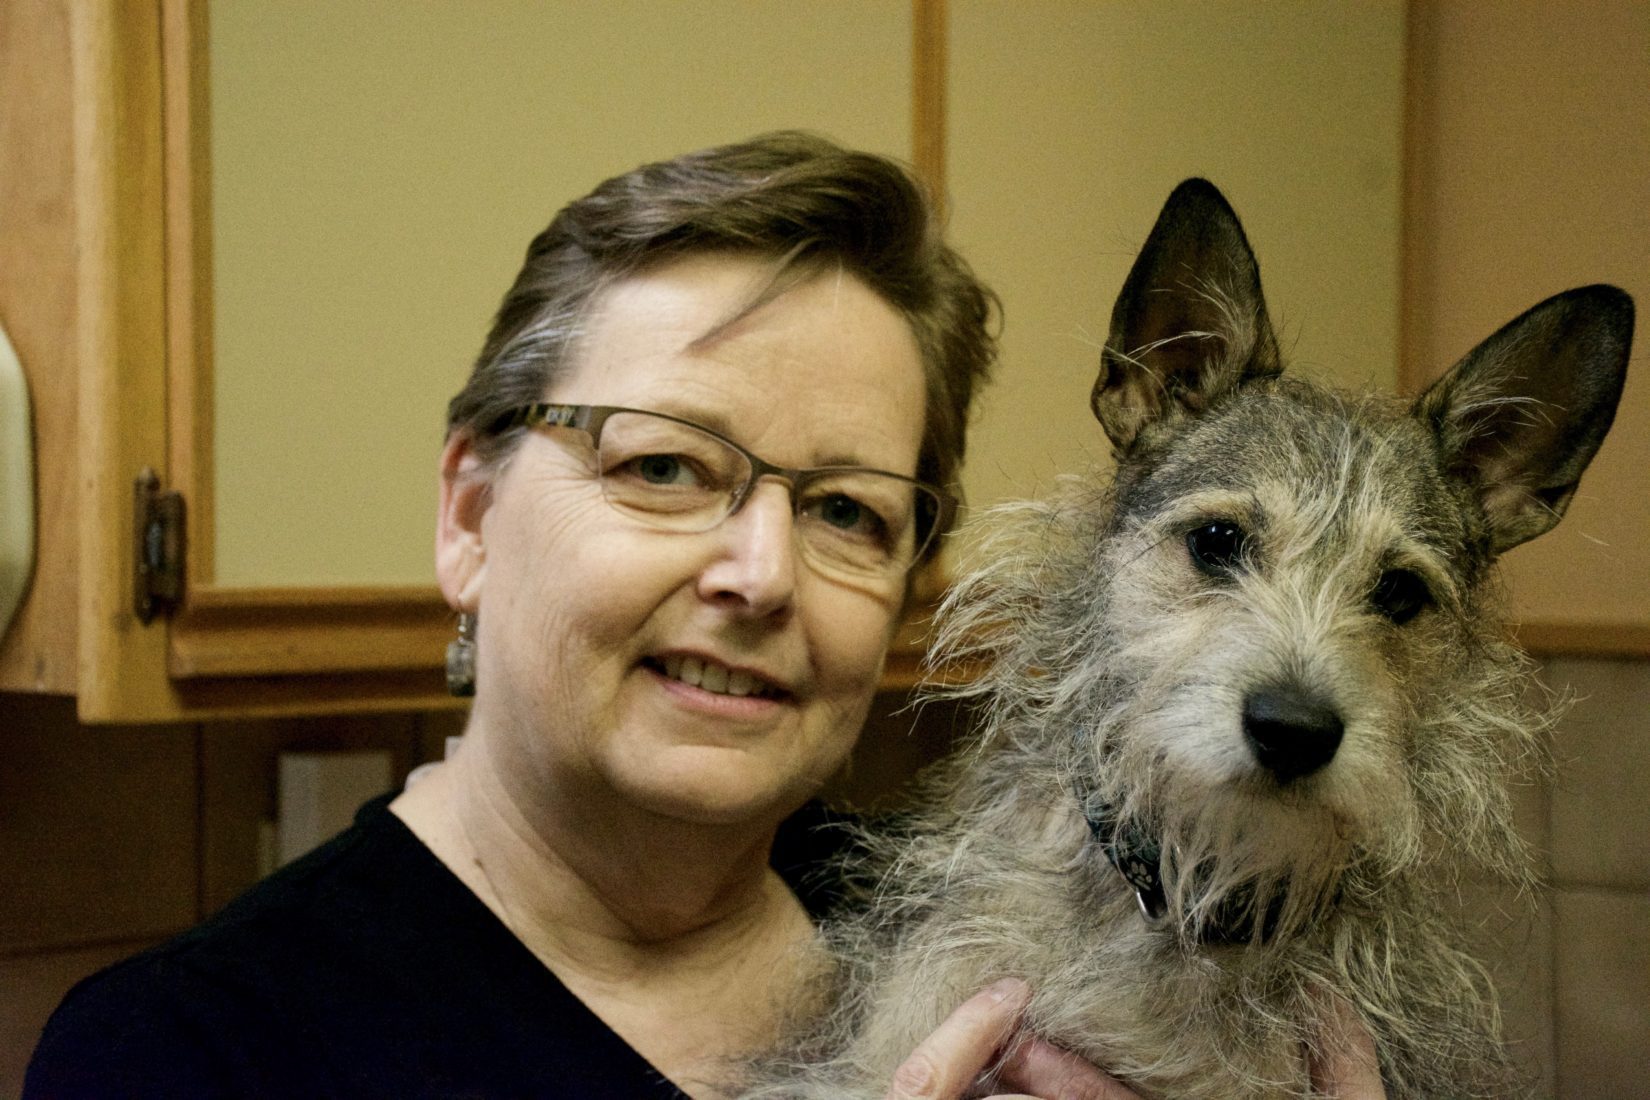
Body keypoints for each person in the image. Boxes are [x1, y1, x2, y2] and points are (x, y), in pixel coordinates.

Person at [26, 133, 1383, 1099]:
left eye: (848, 510)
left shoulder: (1010, 930)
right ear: (468, 517)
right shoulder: (187, 1052)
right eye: (662, 466)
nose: (761, 573)